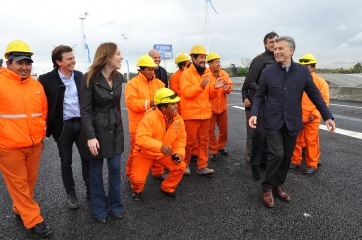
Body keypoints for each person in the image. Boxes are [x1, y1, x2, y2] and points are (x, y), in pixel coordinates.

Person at [249, 36, 336, 208]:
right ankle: (266, 188)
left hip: (293, 121)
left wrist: (327, 116)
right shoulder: (268, 73)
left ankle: (277, 185)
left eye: (281, 48)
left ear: (291, 51)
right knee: (277, 154)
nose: (277, 51)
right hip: (272, 121)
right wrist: (254, 113)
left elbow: (315, 95)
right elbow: (259, 96)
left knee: (287, 157)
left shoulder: (302, 72)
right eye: (275, 49)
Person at [0, 40, 52, 237]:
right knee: (19, 184)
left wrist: (40, 137)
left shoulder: (36, 86)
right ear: (8, 63)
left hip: (34, 145)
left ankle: (19, 207)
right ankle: (33, 219)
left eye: (28, 63)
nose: (24, 67)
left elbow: (43, 114)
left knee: (30, 181)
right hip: (8, 146)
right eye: (19, 63)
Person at [39, 45, 90, 209]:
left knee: (87, 159)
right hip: (63, 127)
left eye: (73, 58)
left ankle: (91, 190)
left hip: (81, 125)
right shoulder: (46, 79)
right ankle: (71, 194)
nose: (73, 61)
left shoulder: (80, 76)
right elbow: (42, 105)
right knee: (66, 162)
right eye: (69, 59)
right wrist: (47, 128)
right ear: (58, 61)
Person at [80, 42, 124, 223]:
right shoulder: (89, 78)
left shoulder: (120, 77)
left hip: (115, 128)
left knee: (114, 169)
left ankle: (115, 206)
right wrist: (90, 136)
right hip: (96, 130)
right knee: (96, 172)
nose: (121, 57)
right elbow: (85, 110)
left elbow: (116, 105)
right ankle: (99, 210)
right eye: (118, 54)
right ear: (107, 57)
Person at [130, 88, 187, 200]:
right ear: (163, 107)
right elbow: (141, 139)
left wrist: (179, 154)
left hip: (163, 153)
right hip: (145, 153)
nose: (176, 106)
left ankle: (167, 188)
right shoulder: (150, 118)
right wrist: (160, 147)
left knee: (180, 166)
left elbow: (180, 139)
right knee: (137, 180)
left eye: (176, 103)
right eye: (172, 104)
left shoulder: (178, 120)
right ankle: (137, 191)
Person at [179, 45, 224, 176]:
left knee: (204, 142)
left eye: (204, 58)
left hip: (205, 115)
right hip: (191, 115)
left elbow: (210, 94)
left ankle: (202, 166)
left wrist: (215, 88)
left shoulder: (207, 73)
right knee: (188, 142)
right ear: (193, 58)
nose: (203, 60)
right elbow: (186, 93)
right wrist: (200, 86)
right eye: (200, 58)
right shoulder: (186, 74)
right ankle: (185, 164)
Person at [242, 31, 278, 180]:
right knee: (258, 134)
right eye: (271, 42)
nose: (274, 45)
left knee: (270, 135)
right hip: (260, 103)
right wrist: (264, 91)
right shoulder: (260, 60)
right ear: (265, 44)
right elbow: (249, 81)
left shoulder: (279, 60)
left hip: (273, 105)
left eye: (277, 42)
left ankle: (264, 163)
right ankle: (254, 164)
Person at [124, 55, 166, 180]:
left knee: (158, 148)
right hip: (138, 126)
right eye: (149, 69)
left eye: (153, 69)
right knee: (136, 152)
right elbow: (131, 104)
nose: (152, 72)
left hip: (157, 124)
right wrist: (150, 103)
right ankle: (131, 174)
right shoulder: (132, 84)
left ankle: (158, 171)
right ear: (141, 70)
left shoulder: (160, 84)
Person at [290, 53, 329, 174]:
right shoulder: (296, 80)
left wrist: (315, 114)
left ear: (313, 67)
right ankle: (295, 161)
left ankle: (312, 163)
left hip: (312, 118)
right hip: (297, 116)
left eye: (307, 66)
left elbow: (324, 101)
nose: (304, 69)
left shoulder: (320, 82)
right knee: (296, 140)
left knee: (311, 141)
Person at [206, 52, 233, 161]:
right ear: (210, 63)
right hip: (210, 109)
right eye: (216, 62)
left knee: (224, 129)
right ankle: (213, 150)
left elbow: (229, 86)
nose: (219, 64)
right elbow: (205, 91)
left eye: (219, 62)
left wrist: (228, 89)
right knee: (210, 131)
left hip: (222, 108)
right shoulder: (205, 75)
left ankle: (221, 146)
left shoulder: (224, 74)